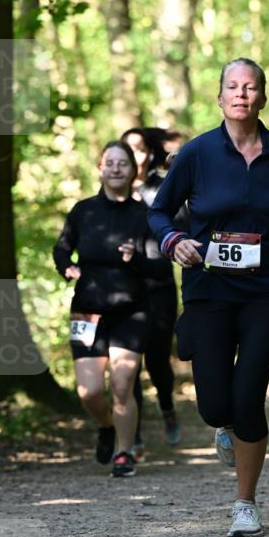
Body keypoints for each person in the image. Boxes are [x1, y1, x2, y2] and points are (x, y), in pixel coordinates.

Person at [148, 58, 269, 537]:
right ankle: (222, 426)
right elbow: (160, 212)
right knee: (214, 406)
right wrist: (173, 241)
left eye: (250, 87)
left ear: (263, 97)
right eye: (232, 86)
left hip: (268, 289)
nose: (241, 94)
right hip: (210, 289)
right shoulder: (197, 153)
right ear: (220, 97)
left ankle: (244, 502)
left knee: (249, 397)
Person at [53, 140, 167, 478]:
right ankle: (106, 426)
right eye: (110, 163)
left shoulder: (144, 216)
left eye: (123, 163)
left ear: (133, 171)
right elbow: (61, 250)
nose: (116, 168)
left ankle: (124, 452)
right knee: (89, 392)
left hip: (131, 311)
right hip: (87, 310)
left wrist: (138, 258)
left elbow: (161, 270)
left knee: (122, 384)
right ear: (100, 168)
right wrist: (67, 268)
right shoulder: (83, 211)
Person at [121, 127, 182, 456]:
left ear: (150, 153)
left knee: (157, 359)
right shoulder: (115, 188)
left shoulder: (163, 185)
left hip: (159, 284)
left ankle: (168, 407)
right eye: (128, 149)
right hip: (125, 287)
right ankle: (136, 431)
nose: (135, 155)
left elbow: (182, 220)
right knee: (127, 360)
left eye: (141, 149)